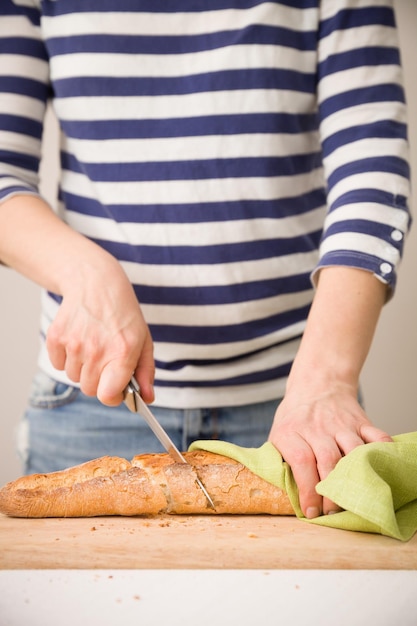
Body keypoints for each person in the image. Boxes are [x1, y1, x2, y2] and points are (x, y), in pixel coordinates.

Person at [0, 0, 411, 519]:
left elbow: (371, 173)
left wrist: (324, 381)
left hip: (295, 406)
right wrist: (88, 274)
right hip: (92, 403)